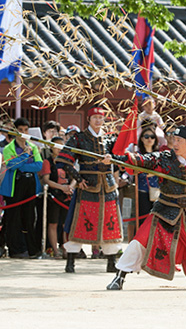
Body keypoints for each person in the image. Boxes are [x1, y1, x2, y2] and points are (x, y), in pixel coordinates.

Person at [106, 126, 186, 290]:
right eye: (173, 139)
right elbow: (141, 160)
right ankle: (120, 276)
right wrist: (118, 157)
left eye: (178, 141)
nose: (174, 143)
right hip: (165, 209)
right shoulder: (165, 157)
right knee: (140, 241)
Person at [56, 106, 123, 273]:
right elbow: (64, 160)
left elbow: (121, 159)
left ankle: (110, 262)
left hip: (108, 187)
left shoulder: (109, 139)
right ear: (89, 119)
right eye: (95, 117)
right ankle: (70, 262)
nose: (98, 121)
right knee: (79, 223)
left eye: (101, 118)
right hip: (88, 186)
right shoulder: (79, 138)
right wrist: (78, 179)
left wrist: (113, 159)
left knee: (110, 224)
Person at [0, 118, 43, 259]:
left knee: (29, 217)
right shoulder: (8, 148)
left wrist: (22, 165)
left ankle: (31, 249)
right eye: (20, 130)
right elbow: (11, 165)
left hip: (30, 184)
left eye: (25, 130)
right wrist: (24, 155)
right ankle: (15, 249)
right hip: (15, 185)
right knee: (13, 217)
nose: (23, 133)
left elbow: (39, 165)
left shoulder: (33, 147)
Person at [39, 136, 75, 258]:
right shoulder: (48, 161)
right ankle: (55, 249)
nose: (59, 148)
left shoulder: (67, 161)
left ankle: (66, 248)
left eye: (61, 145)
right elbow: (46, 180)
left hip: (67, 196)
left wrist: (70, 186)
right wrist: (61, 187)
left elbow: (75, 176)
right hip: (54, 196)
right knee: (53, 223)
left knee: (66, 224)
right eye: (56, 146)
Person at [127, 127, 160, 228]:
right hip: (142, 191)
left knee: (156, 221)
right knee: (142, 221)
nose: (149, 139)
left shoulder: (159, 155)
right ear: (141, 138)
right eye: (146, 136)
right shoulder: (137, 155)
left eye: (152, 137)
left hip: (157, 191)